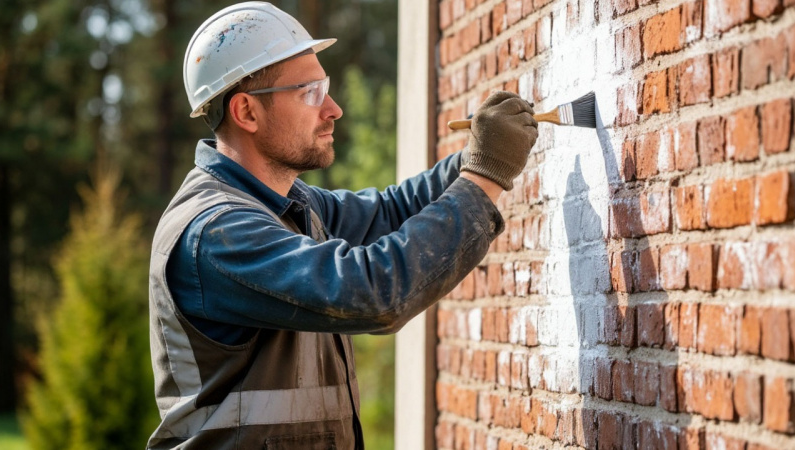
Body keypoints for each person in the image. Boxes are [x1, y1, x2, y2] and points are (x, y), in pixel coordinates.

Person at [147, 2, 538, 448]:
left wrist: (483, 149)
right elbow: (371, 293)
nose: (333, 108)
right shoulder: (216, 233)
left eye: (325, 87)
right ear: (247, 113)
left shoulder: (288, 206)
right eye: (310, 92)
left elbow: (392, 211)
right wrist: (486, 172)